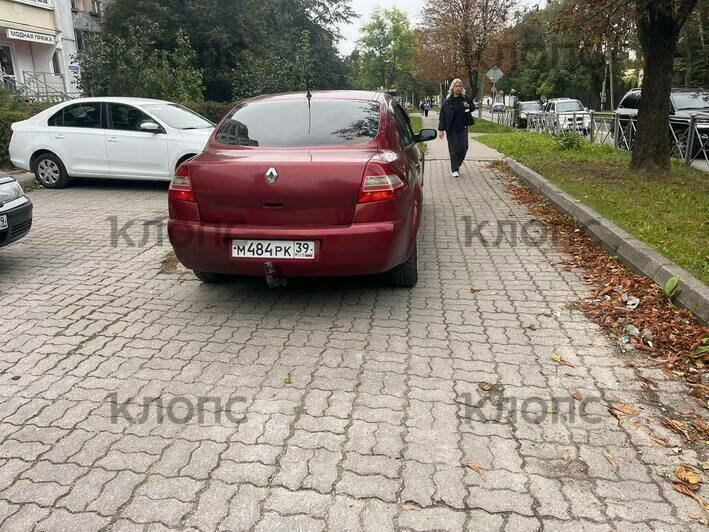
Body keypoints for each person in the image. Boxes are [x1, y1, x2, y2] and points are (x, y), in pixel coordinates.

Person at [438, 78, 475, 177]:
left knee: (464, 148)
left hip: (463, 127)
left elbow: (473, 107)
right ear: (452, 88)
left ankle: (456, 164)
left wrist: (467, 106)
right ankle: (455, 169)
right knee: (453, 149)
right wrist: (441, 130)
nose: (458, 88)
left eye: (460, 86)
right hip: (451, 129)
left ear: (461, 88)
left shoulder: (465, 98)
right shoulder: (448, 101)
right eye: (456, 86)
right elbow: (442, 116)